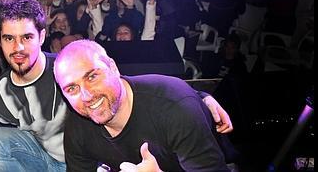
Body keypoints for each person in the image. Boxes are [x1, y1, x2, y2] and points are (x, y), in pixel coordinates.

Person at [0, 0, 232, 171]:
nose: (18, 47)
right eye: (9, 38)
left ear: (41, 36)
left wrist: (198, 98)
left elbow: (134, 86)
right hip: (55, 159)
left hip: (100, 160)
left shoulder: (68, 66)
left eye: (27, 37)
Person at [54, 40, 230, 171]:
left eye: (92, 77)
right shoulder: (77, 126)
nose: (87, 96)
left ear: (113, 68)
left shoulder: (174, 108)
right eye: (72, 88)